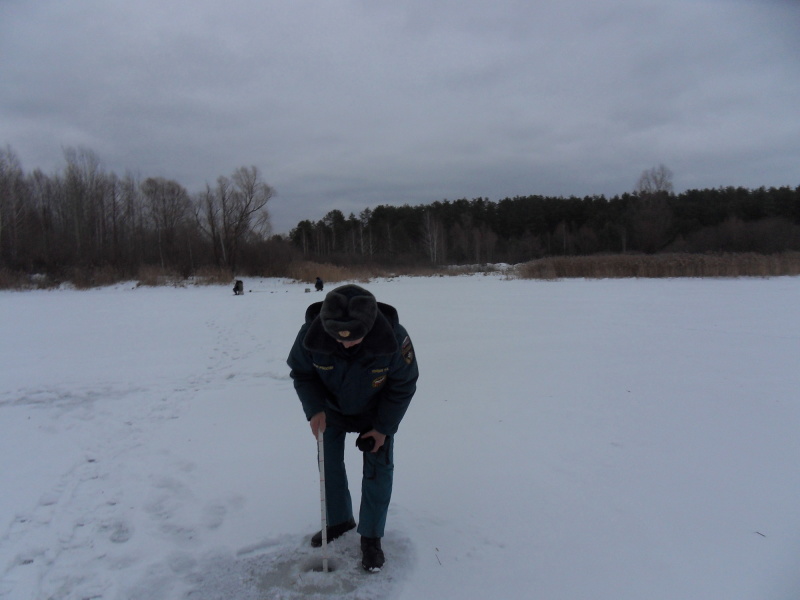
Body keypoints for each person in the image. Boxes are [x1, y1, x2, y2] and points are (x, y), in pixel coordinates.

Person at [287, 284, 418, 572]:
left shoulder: (394, 338)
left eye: (354, 339)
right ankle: (338, 521)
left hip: (375, 413)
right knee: (329, 464)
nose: (346, 344)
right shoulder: (311, 334)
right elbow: (302, 372)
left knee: (377, 472)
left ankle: (371, 538)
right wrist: (314, 409)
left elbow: (404, 384)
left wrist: (383, 428)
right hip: (330, 409)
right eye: (339, 339)